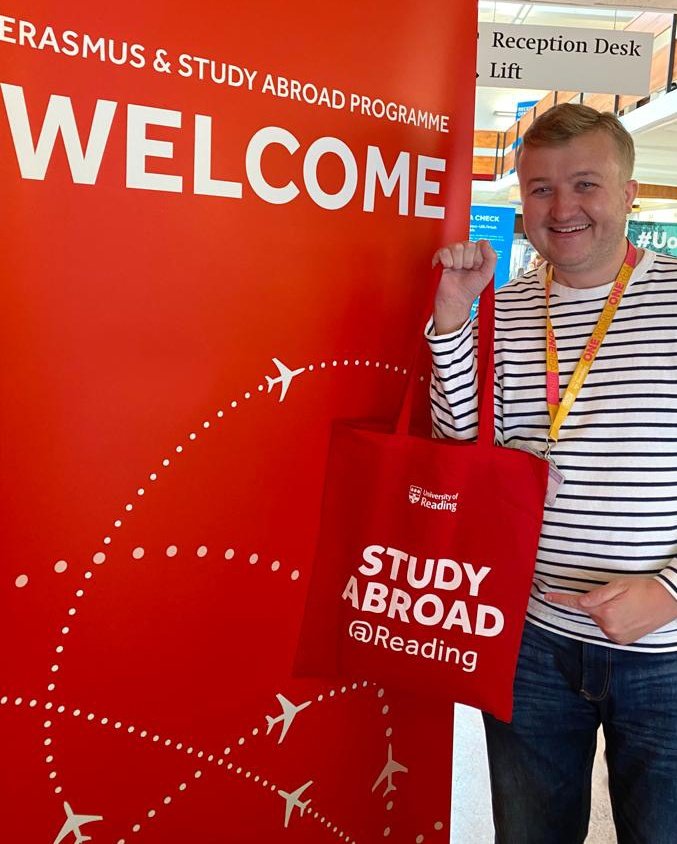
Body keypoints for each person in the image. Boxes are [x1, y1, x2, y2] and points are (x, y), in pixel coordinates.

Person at [428, 103, 677, 843]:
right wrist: (450, 322)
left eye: (585, 184)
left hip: (665, 653)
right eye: (539, 188)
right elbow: (461, 450)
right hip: (528, 637)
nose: (562, 208)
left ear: (630, 193)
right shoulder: (502, 309)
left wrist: (669, 594)